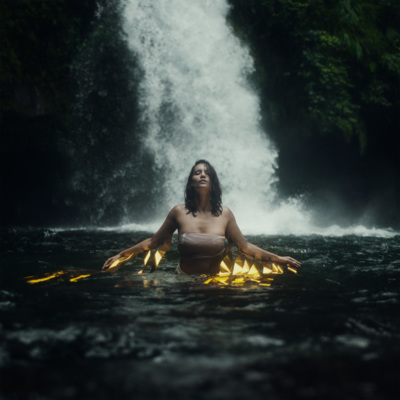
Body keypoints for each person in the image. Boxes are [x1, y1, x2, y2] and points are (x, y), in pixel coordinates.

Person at [102, 160, 301, 274]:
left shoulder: (226, 214)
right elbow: (153, 242)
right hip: (182, 280)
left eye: (207, 173)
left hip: (214, 281)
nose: (203, 175)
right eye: (197, 173)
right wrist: (121, 255)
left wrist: (279, 259)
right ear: (191, 183)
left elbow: (245, 247)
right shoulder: (178, 212)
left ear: (214, 183)